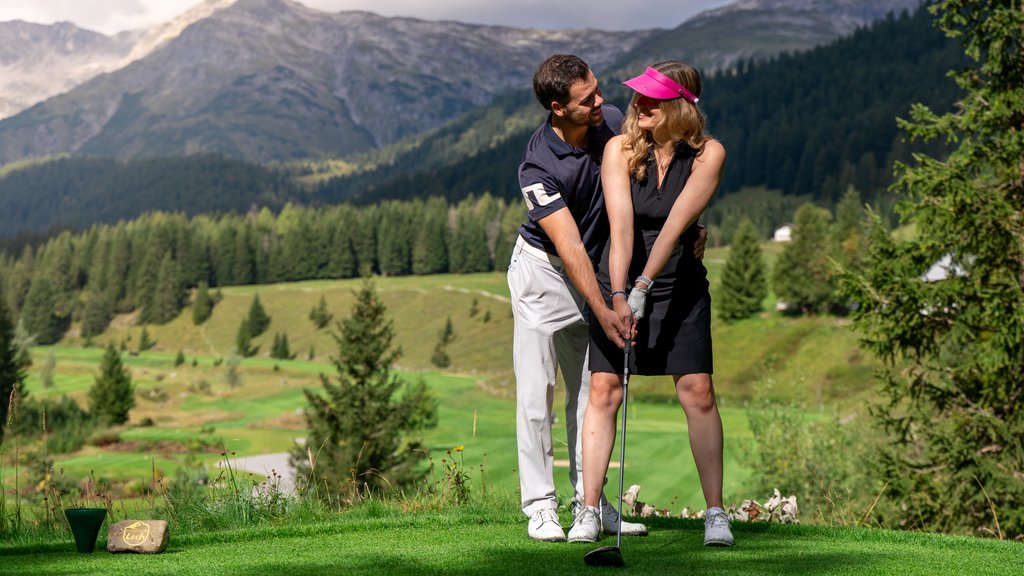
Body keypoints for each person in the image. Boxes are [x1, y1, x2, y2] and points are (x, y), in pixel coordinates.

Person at [571, 61, 734, 547]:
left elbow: (675, 226)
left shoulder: (708, 154)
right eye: (639, 96)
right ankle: (588, 509)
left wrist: (645, 285)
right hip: (618, 276)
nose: (639, 104)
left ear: (681, 106)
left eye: (653, 99)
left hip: (678, 282)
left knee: (698, 391)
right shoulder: (619, 149)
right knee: (604, 389)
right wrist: (620, 294)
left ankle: (716, 514)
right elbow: (621, 228)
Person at [510, 55, 656, 543]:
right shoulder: (537, 167)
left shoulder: (609, 122)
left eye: (596, 89)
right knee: (537, 395)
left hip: (594, 272)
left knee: (592, 393)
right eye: (587, 98)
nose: (601, 101)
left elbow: (651, 182)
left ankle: (588, 503)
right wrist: (605, 308)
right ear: (557, 108)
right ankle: (539, 506)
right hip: (544, 274)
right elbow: (569, 245)